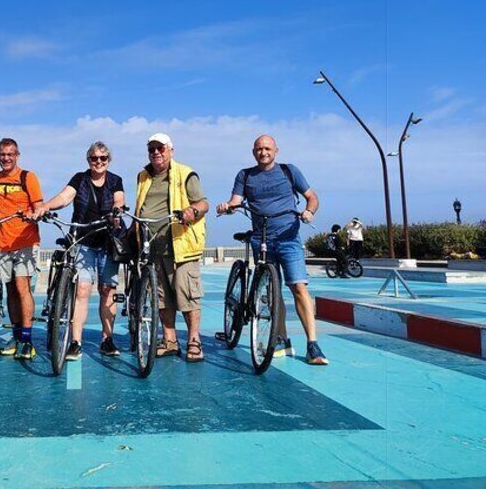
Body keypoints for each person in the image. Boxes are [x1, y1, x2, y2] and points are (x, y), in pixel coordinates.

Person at [216, 134, 328, 365]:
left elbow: (312, 197)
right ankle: (282, 339)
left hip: (288, 238)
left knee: (298, 287)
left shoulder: (289, 171)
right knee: (272, 293)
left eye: (267, 148)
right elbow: (236, 201)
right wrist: (227, 207)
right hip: (261, 239)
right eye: (258, 149)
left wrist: (309, 211)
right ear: (253, 151)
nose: (263, 152)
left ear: (276, 150)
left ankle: (313, 344)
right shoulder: (245, 175)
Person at [32, 141, 126, 360]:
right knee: (82, 289)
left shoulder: (115, 180)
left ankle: (107, 339)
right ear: (88, 160)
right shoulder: (80, 179)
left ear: (108, 160)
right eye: (94, 158)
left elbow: (119, 200)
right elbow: (65, 197)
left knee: (107, 290)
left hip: (108, 241)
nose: (99, 162)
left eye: (103, 158)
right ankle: (76, 342)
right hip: (83, 240)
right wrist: (46, 206)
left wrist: (116, 212)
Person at [134, 133, 209, 362]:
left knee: (187, 296)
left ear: (170, 150)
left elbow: (204, 203)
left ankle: (194, 341)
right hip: (152, 246)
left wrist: (191, 212)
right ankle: (170, 340)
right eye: (151, 149)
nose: (156, 153)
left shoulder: (186, 174)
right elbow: (140, 206)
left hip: (181, 245)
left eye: (160, 148)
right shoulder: (143, 176)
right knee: (162, 298)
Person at [0, 138, 44, 360]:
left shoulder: (28, 177)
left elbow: (38, 206)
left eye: (10, 154)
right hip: (2, 242)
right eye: (2, 154)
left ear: (17, 155)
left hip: (26, 241)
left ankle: (27, 340)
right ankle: (16, 337)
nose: (6, 158)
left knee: (22, 287)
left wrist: (32, 214)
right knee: (9, 290)